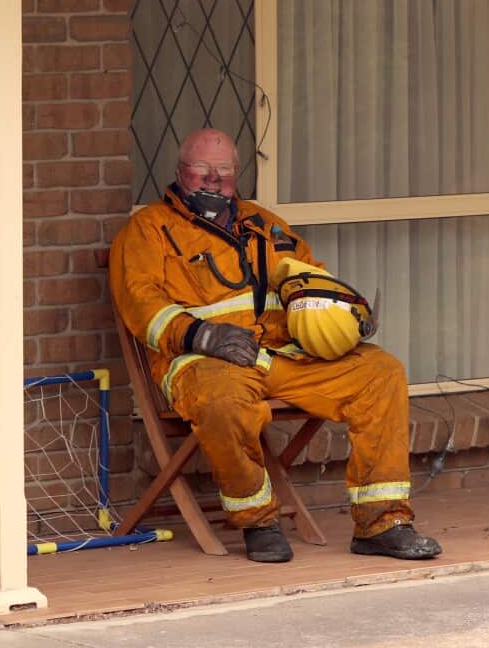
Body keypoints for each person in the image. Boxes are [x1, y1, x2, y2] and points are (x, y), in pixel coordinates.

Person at [109, 128, 442, 563]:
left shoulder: (265, 225)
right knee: (224, 404)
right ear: (179, 172)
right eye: (201, 169)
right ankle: (259, 522)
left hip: (283, 355)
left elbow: (310, 282)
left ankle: (382, 524)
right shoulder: (148, 230)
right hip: (203, 363)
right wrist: (204, 336)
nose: (212, 179)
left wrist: (344, 315)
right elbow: (142, 305)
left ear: (236, 173)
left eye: (223, 170)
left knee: (381, 374)